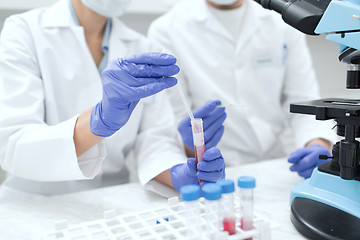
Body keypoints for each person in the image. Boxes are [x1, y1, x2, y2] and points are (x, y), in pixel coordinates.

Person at [0, 0, 225, 200]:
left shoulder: (142, 47)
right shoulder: (24, 31)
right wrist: (96, 122)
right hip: (34, 205)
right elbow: (11, 143)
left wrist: (178, 174)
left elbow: (154, 139)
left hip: (111, 202)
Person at [148, 0, 338, 178]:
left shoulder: (282, 22)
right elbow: (173, 122)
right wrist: (191, 145)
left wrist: (317, 144)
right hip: (212, 172)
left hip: (274, 166)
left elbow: (303, 100)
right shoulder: (167, 30)